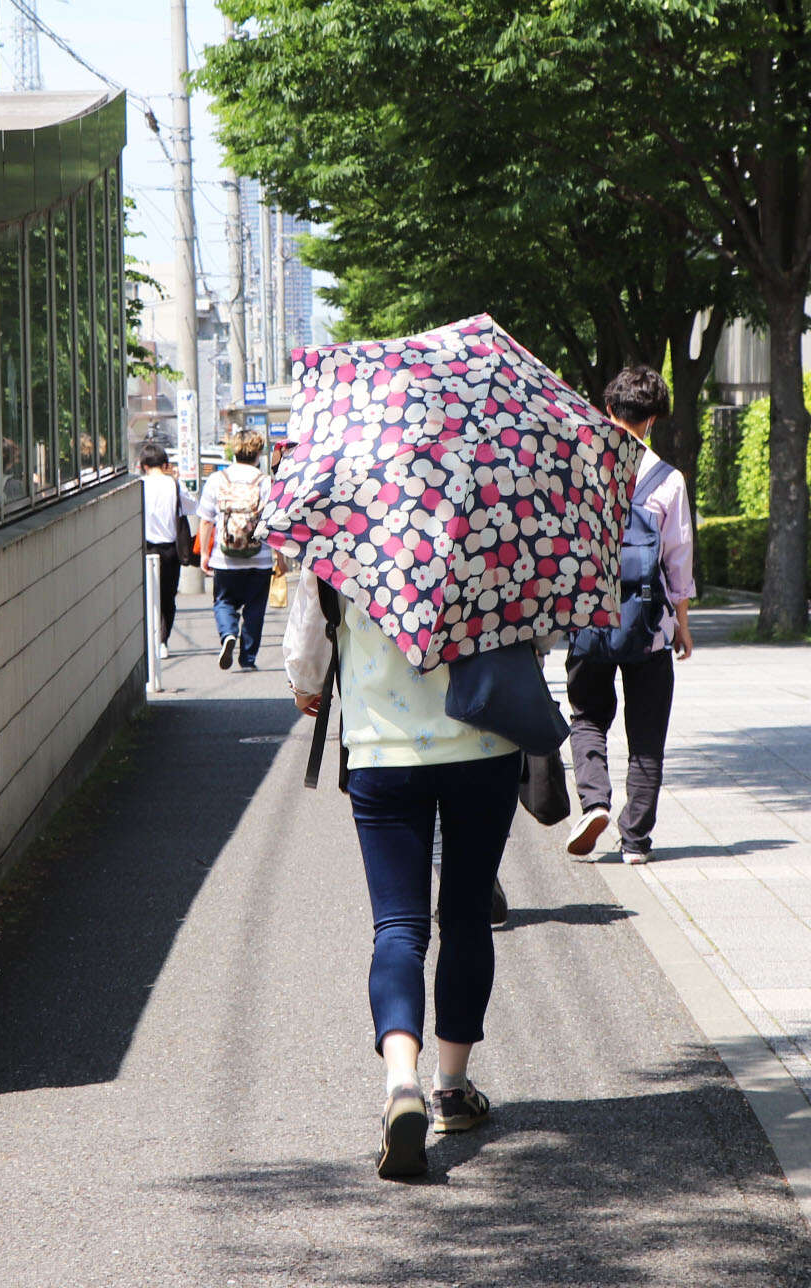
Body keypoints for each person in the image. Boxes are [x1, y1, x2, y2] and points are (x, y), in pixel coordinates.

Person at [285, 571, 522, 1178]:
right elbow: (536, 630)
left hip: (381, 748)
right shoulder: (491, 497)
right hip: (484, 741)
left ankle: (400, 1084)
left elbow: (309, 646)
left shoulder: (347, 508)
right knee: (467, 914)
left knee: (397, 925)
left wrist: (307, 684)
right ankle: (451, 1088)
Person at [564, 367, 696, 865]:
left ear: (608, 411)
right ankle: (636, 841)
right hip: (649, 627)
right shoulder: (669, 480)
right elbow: (677, 557)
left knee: (587, 716)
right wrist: (681, 622)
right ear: (654, 419)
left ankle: (594, 802)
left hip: (589, 619)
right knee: (646, 736)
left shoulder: (580, 469)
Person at [201, 430, 276, 670]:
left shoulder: (217, 479)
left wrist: (204, 553)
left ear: (234, 451)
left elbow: (205, 520)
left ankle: (228, 634)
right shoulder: (265, 482)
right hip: (260, 558)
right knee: (255, 609)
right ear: (258, 452)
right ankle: (248, 658)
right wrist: (280, 558)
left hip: (225, 558)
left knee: (224, 602)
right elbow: (274, 524)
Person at [136, 440, 197, 648]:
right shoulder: (173, 484)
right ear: (165, 465)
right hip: (171, 549)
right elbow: (191, 507)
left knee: (147, 595)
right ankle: (163, 640)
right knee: (168, 597)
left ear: (143, 465)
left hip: (145, 548)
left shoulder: (139, 485)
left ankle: (150, 639)